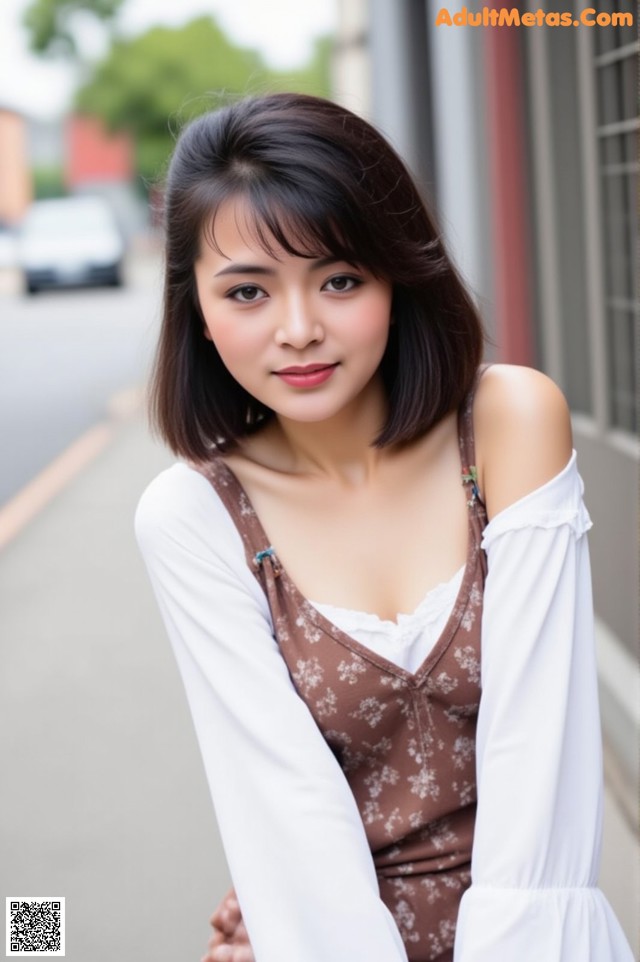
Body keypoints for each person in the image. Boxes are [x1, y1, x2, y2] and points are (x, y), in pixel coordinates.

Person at [135, 92, 634, 962]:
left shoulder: (509, 423)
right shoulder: (194, 518)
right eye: (248, 291)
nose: (299, 330)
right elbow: (285, 814)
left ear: (398, 276)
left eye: (339, 279)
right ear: (199, 315)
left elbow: (540, 775)